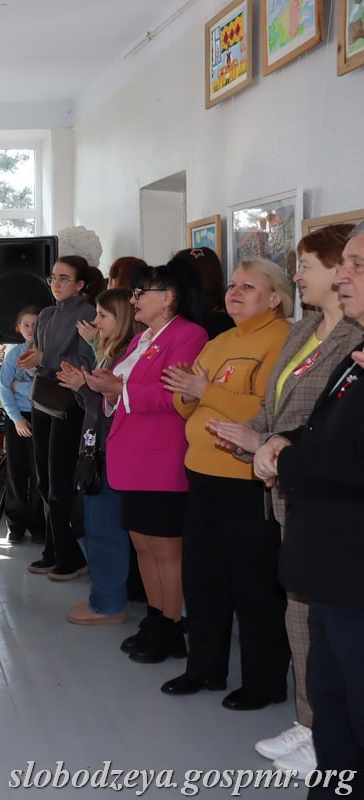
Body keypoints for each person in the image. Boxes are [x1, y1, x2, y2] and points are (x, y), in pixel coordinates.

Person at [207, 224, 360, 775]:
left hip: (325, 501)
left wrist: (273, 449)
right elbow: (280, 405)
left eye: (308, 266)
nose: (299, 277)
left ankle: (321, 729)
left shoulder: (352, 338)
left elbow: (331, 435)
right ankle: (309, 720)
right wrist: (259, 438)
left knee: (325, 624)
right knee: (303, 616)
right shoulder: (306, 331)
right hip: (296, 489)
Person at [253, 225, 364, 800]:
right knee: (334, 709)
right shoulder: (354, 353)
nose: (344, 275)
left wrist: (284, 458)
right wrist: (282, 441)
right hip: (332, 569)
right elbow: (321, 426)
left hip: (353, 571)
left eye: (357, 265)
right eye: (343, 263)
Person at [159, 259, 293, 709]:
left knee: (254, 586)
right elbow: (185, 405)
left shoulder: (283, 340)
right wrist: (188, 393)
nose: (234, 292)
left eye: (248, 286)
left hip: (246, 480)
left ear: (274, 298)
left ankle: (265, 683)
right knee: (203, 579)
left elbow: (267, 410)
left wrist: (206, 392)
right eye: (232, 284)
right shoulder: (219, 342)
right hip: (202, 474)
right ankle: (204, 668)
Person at [97, 261, 208, 662]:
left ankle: (172, 625)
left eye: (141, 292)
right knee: (142, 544)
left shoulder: (188, 335)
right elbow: (124, 390)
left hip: (161, 456)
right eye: (134, 292)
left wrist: (120, 388)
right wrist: (107, 389)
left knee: (166, 548)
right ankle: (156, 618)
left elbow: (177, 396)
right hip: (132, 456)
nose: (134, 300)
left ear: (168, 298)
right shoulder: (142, 338)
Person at [57, 288, 135, 624]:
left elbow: (110, 411)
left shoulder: (123, 357)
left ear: (122, 319)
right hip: (94, 451)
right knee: (89, 525)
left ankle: (108, 604)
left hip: (107, 454)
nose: (96, 322)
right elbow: (96, 405)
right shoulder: (109, 354)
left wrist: (84, 388)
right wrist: (82, 387)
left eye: (103, 316)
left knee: (105, 532)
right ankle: (103, 597)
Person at [18, 256, 95, 581]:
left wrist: (45, 357)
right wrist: (33, 361)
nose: (57, 283)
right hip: (43, 397)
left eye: (65, 278)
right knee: (44, 480)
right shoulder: (47, 314)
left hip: (70, 402)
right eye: (53, 277)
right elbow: (40, 358)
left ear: (81, 284)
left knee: (59, 482)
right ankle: (52, 549)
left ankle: (70, 555)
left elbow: (85, 360)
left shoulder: (88, 313)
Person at [0, 305, 43, 544]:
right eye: (26, 324)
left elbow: (44, 389)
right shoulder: (13, 355)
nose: (31, 328)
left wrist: (20, 387)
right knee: (16, 471)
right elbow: (4, 388)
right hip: (17, 418)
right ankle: (15, 524)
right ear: (18, 328)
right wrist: (16, 418)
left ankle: (39, 524)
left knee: (39, 472)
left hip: (42, 416)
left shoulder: (48, 354)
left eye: (35, 324)